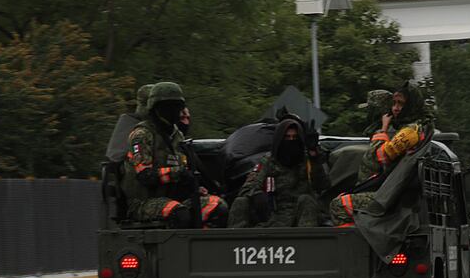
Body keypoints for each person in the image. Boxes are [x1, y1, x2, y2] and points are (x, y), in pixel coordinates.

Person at [121, 82, 228, 227]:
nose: (174, 111)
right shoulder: (142, 135)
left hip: (175, 198)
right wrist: (179, 174)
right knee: (179, 214)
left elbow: (185, 167)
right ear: (156, 108)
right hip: (144, 203)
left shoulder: (177, 136)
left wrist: (195, 186)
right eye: (168, 106)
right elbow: (145, 175)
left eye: (177, 106)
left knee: (217, 206)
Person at [332, 81, 434, 226]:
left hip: (392, 197)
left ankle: (351, 248)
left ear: (411, 105)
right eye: (394, 103)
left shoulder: (410, 132)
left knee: (339, 205)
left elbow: (378, 157)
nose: (396, 108)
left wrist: (383, 129)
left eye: (400, 104)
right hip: (396, 194)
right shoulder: (415, 126)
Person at [228, 116, 329, 228]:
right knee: (240, 202)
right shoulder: (269, 161)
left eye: (295, 137)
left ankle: (305, 243)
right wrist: (257, 195)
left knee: (306, 200)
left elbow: (321, 186)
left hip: (300, 214)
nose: (291, 141)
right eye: (287, 137)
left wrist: (314, 155)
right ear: (279, 139)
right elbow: (248, 188)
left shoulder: (308, 160)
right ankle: (237, 242)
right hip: (273, 214)